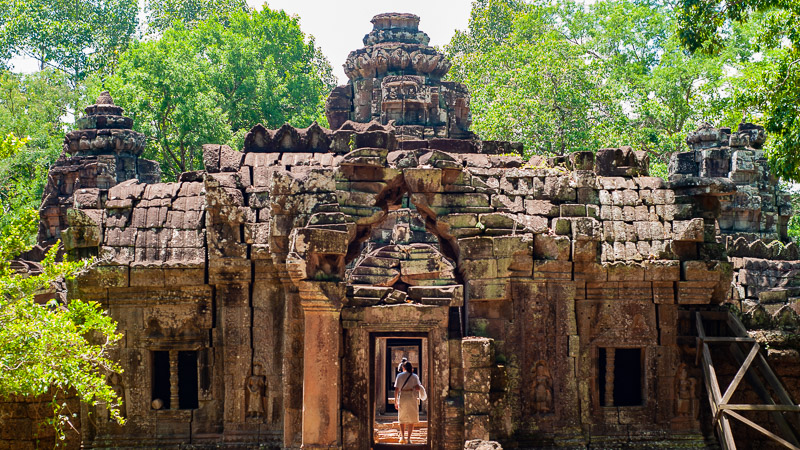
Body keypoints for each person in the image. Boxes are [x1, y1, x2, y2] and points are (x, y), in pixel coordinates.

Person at [394, 361, 422, 444]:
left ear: (403, 368)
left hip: (403, 396)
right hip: (411, 397)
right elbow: (418, 388)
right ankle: (409, 438)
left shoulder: (399, 376)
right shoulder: (414, 376)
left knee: (402, 417)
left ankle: (402, 437)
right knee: (412, 418)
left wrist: (395, 401)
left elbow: (396, 390)